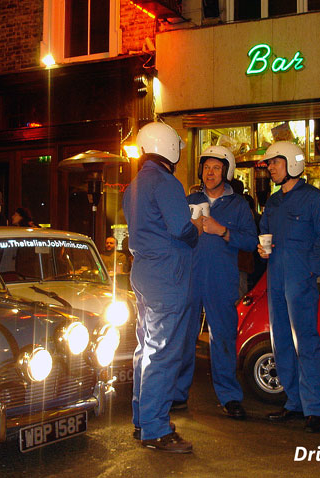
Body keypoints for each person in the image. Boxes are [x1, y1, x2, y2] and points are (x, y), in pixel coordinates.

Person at [123, 121, 201, 453]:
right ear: (169, 148)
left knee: (147, 348)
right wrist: (196, 226)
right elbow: (182, 229)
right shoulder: (166, 182)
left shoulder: (133, 186)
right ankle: (155, 429)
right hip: (167, 275)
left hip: (143, 272)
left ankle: (143, 419)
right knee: (163, 352)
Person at [257, 141, 320, 433]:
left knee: (306, 342)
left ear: (292, 163)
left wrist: (309, 272)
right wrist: (261, 249)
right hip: (275, 274)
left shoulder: (314, 199)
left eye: (275, 162)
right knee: (281, 342)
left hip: (299, 277)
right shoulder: (274, 202)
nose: (270, 168)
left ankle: (315, 409)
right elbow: (264, 232)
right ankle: (294, 403)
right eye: (270, 164)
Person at [184, 145, 258, 420]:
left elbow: (251, 241)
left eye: (216, 167)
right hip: (190, 278)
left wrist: (223, 231)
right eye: (206, 167)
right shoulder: (189, 198)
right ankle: (179, 394)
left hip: (221, 280)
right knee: (184, 338)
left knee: (224, 339)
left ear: (226, 171)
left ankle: (229, 397)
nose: (210, 172)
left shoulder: (238, 204)